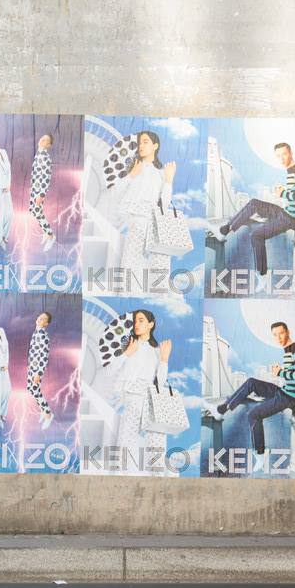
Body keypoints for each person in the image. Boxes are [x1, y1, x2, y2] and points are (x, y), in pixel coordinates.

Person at [213, 321, 295, 455]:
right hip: (285, 392)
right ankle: (222, 409)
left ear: (288, 332)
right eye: (274, 335)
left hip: (289, 398)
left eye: (281, 333)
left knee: (253, 414)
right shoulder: (288, 350)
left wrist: (280, 373)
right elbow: (294, 376)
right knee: (251, 382)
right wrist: (279, 371)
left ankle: (260, 453)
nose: (278, 338)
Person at [217, 142, 295, 275]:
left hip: (292, 219)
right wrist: (282, 193)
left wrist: (283, 194)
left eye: (284, 154)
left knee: (256, 235)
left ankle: (261, 272)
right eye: (278, 156)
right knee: (254, 203)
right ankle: (225, 230)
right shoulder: (291, 170)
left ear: (291, 153)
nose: (281, 159)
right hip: (287, 213)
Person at [105, 309, 172, 476]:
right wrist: (128, 352)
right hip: (132, 397)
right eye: (135, 321)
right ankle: (124, 477)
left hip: (151, 400)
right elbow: (110, 370)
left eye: (141, 320)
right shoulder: (127, 344)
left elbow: (161, 382)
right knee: (126, 439)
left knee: (156, 441)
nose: (136, 324)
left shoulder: (156, 350)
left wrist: (164, 359)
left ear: (151, 324)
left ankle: (156, 479)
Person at [112, 132, 177, 288]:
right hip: (137, 219)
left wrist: (169, 181)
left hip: (157, 222)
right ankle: (127, 295)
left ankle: (159, 297)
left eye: (145, 142)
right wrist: (131, 175)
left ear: (155, 146)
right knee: (130, 262)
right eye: (139, 143)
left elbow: (165, 203)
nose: (141, 146)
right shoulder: (133, 167)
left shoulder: (161, 173)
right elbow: (115, 191)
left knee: (161, 265)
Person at [26, 312, 53, 429]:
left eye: (43, 319)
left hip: (37, 368)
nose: (39, 319)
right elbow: (33, 350)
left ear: (46, 323)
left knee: (35, 390)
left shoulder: (43, 336)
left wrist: (39, 373)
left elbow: (44, 356)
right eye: (40, 317)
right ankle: (43, 410)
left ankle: (48, 414)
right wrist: (29, 364)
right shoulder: (36, 332)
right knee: (30, 388)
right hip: (32, 366)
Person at [29, 134, 55, 251]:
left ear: (49, 145)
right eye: (42, 139)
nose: (42, 141)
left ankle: (50, 235)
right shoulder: (39, 153)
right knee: (33, 210)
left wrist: (41, 194)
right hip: (34, 188)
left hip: (39, 190)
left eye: (46, 141)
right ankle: (45, 231)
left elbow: (46, 177)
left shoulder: (45, 157)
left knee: (37, 212)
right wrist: (32, 187)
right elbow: (35, 172)